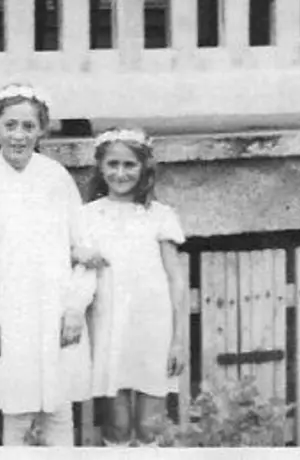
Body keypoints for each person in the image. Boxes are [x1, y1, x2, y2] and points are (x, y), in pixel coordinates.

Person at [0, 83, 96, 447]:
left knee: (59, 411)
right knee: (15, 416)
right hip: (7, 312)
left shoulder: (56, 178)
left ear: (41, 130)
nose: (19, 135)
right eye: (10, 125)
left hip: (55, 308)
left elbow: (84, 249)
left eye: (28, 127)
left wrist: (76, 306)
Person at [81, 128, 188, 445]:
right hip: (108, 325)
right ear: (101, 167)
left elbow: (176, 280)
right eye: (112, 164)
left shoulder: (159, 216)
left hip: (151, 329)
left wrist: (178, 340)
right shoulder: (86, 216)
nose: (120, 173)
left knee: (148, 424)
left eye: (129, 165)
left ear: (144, 169)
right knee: (116, 424)